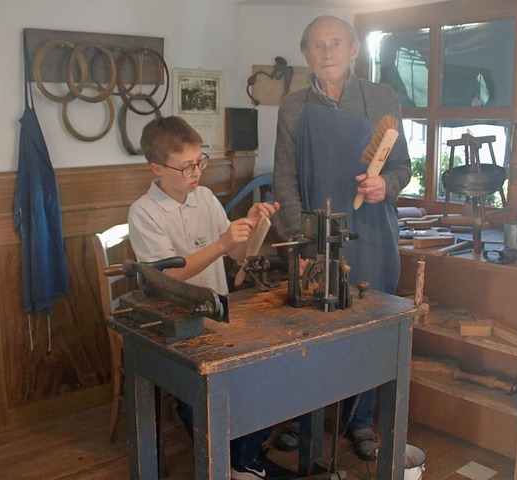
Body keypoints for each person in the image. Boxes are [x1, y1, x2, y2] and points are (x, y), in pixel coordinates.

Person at [272, 15, 412, 461]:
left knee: (368, 327)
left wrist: (383, 187)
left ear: (354, 50)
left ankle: (361, 419)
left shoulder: (381, 97)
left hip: (371, 233)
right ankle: (300, 416)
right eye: (317, 45)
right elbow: (285, 180)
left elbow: (402, 168)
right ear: (306, 54)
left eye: (335, 43)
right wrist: (299, 241)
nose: (327, 52)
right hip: (316, 234)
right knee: (309, 330)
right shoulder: (293, 106)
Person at [128, 116, 293, 480]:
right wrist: (221, 244)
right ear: (156, 167)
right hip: (173, 327)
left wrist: (250, 224)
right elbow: (166, 278)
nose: (195, 172)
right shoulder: (144, 212)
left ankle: (242, 460)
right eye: (185, 166)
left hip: (217, 317)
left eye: (200, 161)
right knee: (201, 397)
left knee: (269, 374)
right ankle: (233, 461)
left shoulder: (204, 197)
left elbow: (237, 256)